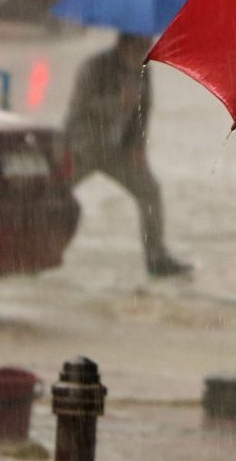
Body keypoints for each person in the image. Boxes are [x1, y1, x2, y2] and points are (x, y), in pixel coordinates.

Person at [64, 31, 191, 277]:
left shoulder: (144, 70)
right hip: (83, 147)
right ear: (128, 43)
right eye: (143, 43)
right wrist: (117, 103)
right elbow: (80, 108)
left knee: (149, 190)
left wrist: (138, 146)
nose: (148, 48)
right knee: (53, 192)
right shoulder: (95, 66)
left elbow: (144, 112)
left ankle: (156, 257)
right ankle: (26, 250)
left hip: (119, 149)